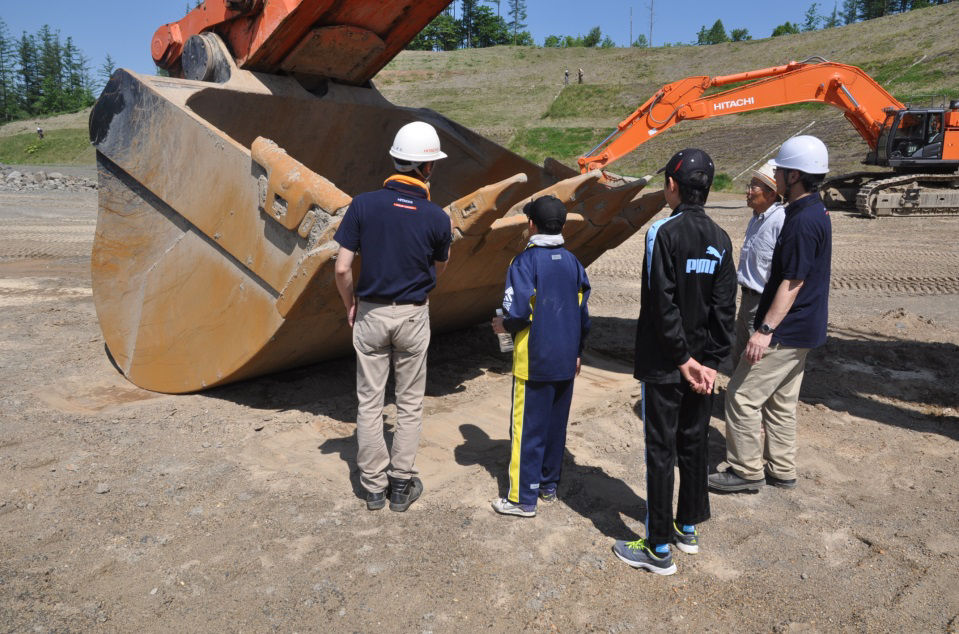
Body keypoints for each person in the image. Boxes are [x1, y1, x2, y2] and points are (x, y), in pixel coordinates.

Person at [613, 149, 736, 575]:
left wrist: (682, 359)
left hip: (668, 365)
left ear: (672, 185)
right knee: (694, 442)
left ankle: (658, 547)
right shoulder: (721, 238)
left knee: (661, 451)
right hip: (702, 368)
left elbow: (660, 304)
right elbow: (725, 309)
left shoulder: (662, 233)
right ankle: (687, 526)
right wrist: (712, 363)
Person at [333, 121, 453, 512]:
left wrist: (351, 303)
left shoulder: (363, 204)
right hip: (413, 315)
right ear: (428, 167)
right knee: (409, 402)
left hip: (370, 313)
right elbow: (440, 267)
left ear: (396, 160)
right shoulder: (438, 218)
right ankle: (400, 485)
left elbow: (341, 268)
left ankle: (372, 488)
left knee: (369, 403)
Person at [708, 135, 832, 493]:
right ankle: (782, 468)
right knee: (781, 401)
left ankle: (745, 471)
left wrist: (764, 330)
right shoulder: (812, 212)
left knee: (742, 396)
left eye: (780, 170)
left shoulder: (801, 222)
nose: (775, 175)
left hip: (786, 331)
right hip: (804, 329)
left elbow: (792, 283)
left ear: (794, 176)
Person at [490, 195, 591, 518]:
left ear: (531, 224)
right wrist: (578, 352)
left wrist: (502, 324)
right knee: (554, 426)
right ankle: (547, 485)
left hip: (533, 360)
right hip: (566, 358)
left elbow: (517, 311)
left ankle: (522, 498)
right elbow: (582, 314)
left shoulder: (524, 262)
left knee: (527, 430)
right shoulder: (574, 262)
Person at [734, 161, 785, 363]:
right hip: (747, 299)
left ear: (771, 194)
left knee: (754, 360)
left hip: (763, 302)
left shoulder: (780, 220)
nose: (748, 191)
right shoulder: (755, 218)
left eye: (753, 187)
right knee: (739, 356)